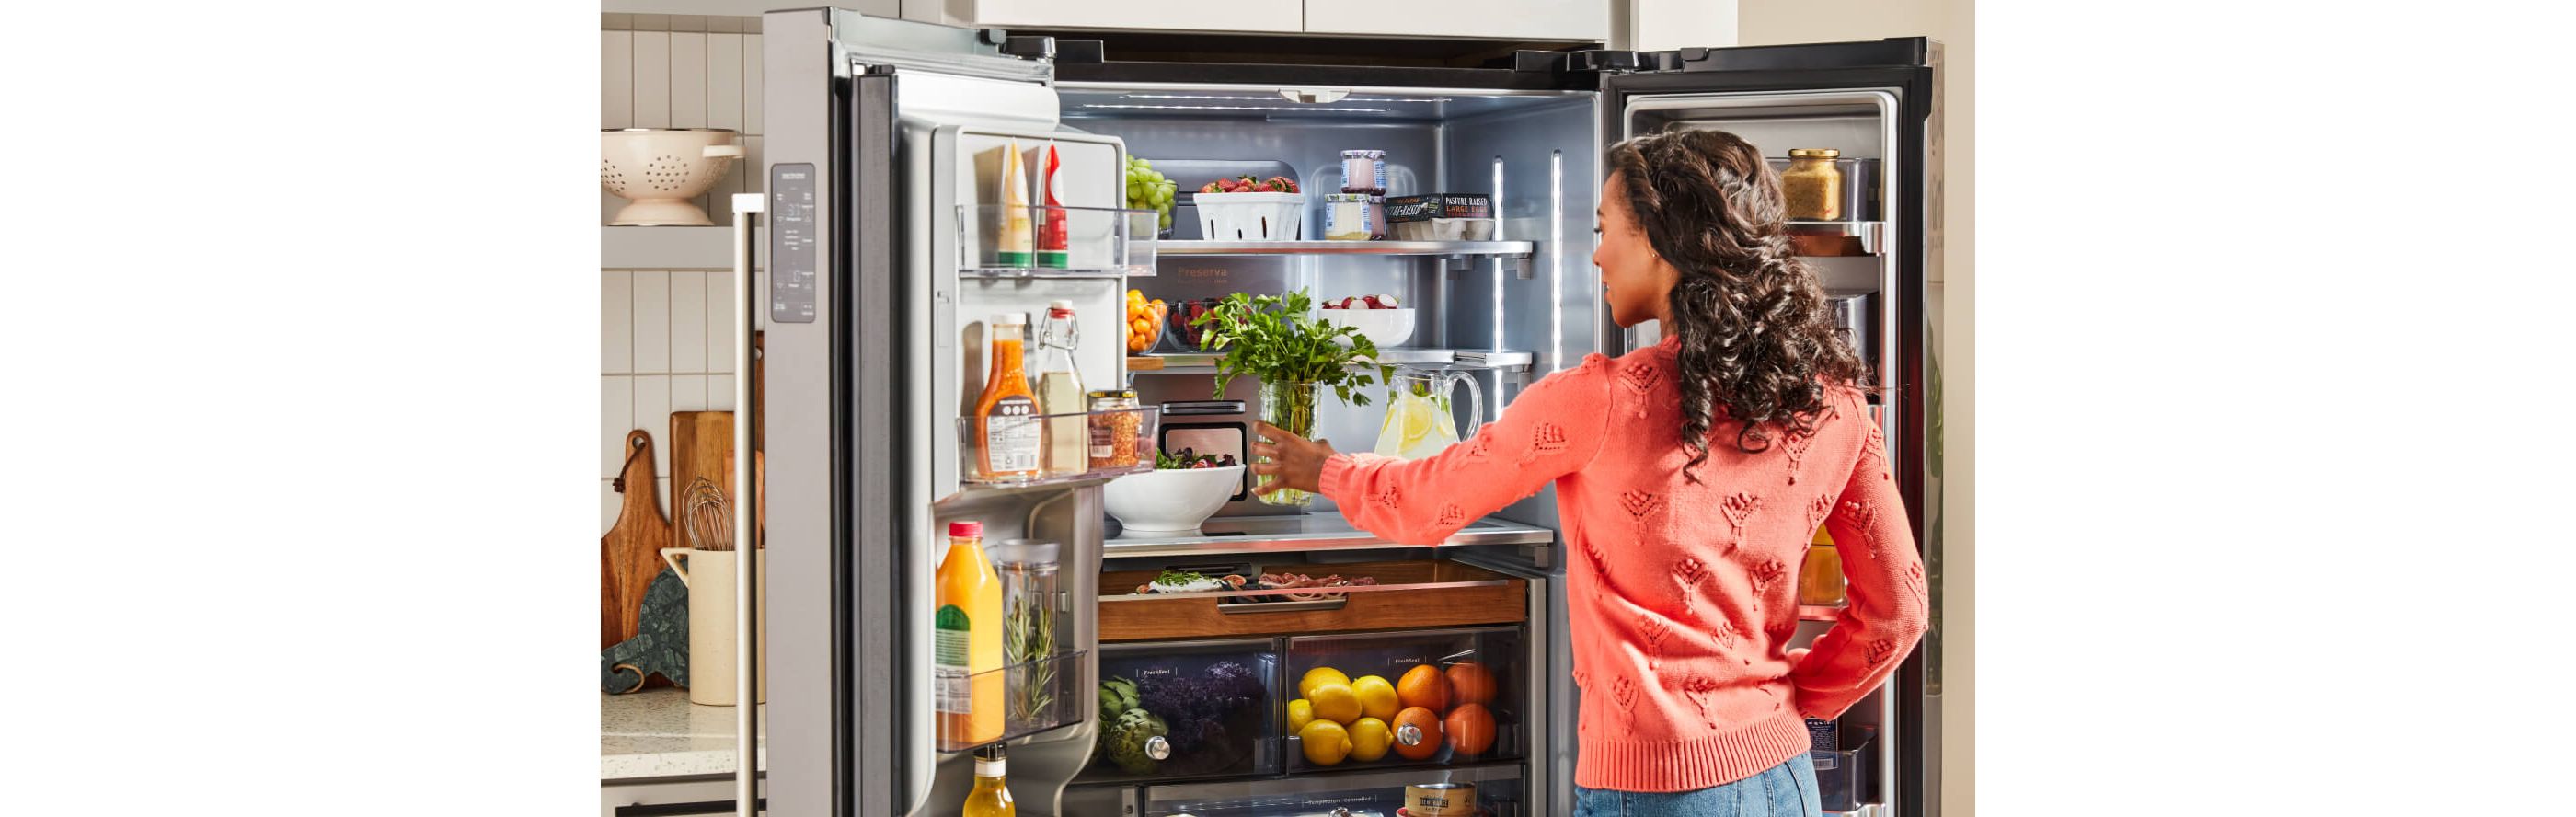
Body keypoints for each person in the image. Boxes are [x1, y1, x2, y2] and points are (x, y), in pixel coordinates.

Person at [1251, 129, 1926, 816]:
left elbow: (1431, 503)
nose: (1597, 253)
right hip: (1785, 778)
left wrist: (1327, 471)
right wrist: (1783, 703)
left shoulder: (1600, 398)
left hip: (1656, 791)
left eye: (1607, 230)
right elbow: (1899, 613)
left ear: (1662, 243)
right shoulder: (1834, 402)